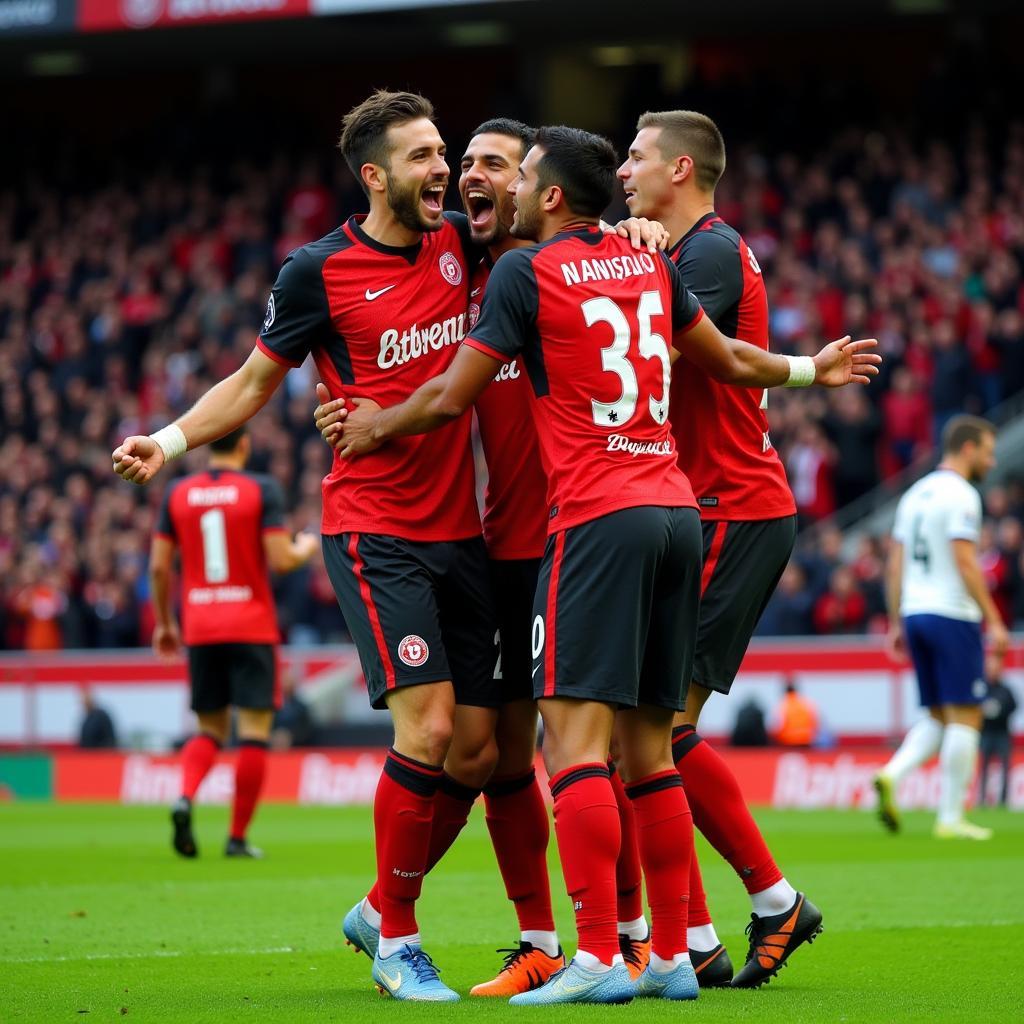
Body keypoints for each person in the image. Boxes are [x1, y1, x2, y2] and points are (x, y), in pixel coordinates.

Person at [330, 125, 878, 1004]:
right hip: (673, 509)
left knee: (573, 745)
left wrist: (376, 425)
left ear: (546, 195)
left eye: (514, 174)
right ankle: (670, 952)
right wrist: (814, 368)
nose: (491, 189)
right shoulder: (651, 263)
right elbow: (733, 360)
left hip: (590, 521)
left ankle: (594, 956)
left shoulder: (523, 273)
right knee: (651, 750)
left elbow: (446, 395)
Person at [117, 89, 510, 1003]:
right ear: (374, 175)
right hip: (376, 529)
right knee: (433, 726)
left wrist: (637, 232)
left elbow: (559, 226)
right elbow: (254, 381)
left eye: (442, 152)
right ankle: (399, 945)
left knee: (482, 753)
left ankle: (379, 903)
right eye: (420, 156)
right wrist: (168, 442)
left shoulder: (465, 241)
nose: (441, 169)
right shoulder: (316, 272)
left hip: (465, 529)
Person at [320, 120, 669, 996]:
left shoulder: (555, 267)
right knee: (491, 757)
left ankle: (630, 942)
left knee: (585, 753)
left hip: (572, 537)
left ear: (537, 188)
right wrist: (349, 409)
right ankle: (542, 939)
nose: (472, 181)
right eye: (462, 164)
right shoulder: (473, 272)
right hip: (499, 548)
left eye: (493, 167)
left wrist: (639, 226)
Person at [617, 109, 824, 989]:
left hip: (728, 505)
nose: (625, 170)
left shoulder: (701, 252)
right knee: (645, 733)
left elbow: (646, 342)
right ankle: (695, 936)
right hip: (704, 505)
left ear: (685, 168)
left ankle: (767, 905)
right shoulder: (692, 248)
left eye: (636, 157)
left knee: (660, 730)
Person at [149, 426, 317, 858]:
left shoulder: (178, 493)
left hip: (201, 626)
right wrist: (305, 547)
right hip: (250, 624)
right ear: (244, 445)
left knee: (209, 729)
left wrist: (167, 623)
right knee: (254, 733)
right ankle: (237, 837)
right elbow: (281, 560)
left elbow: (158, 569)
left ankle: (185, 796)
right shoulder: (261, 489)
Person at [876, 415, 1008, 840]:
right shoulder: (963, 495)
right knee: (966, 717)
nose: (991, 460)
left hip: (915, 613)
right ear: (967, 448)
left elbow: (894, 564)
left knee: (937, 714)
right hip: (952, 613)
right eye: (987, 452)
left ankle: (892, 774)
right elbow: (965, 560)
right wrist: (995, 620)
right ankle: (951, 817)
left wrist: (897, 619)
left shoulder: (914, 493)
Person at [979, 674, 1017, 807]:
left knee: (1005, 768)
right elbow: (974, 705)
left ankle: (1003, 800)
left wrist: (1000, 710)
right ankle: (981, 799)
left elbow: (1014, 706)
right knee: (983, 768)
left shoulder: (1005, 690)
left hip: (1002, 733)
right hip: (986, 733)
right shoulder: (982, 688)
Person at [774, 681, 820, 747]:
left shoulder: (783, 705)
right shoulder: (806, 703)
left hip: (788, 741)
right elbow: (815, 722)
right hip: (806, 740)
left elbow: (779, 726)